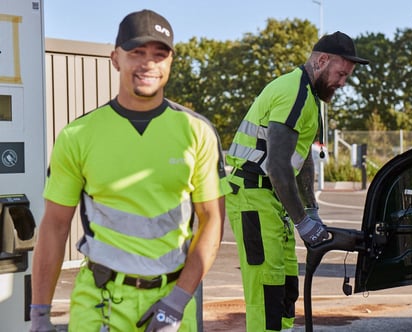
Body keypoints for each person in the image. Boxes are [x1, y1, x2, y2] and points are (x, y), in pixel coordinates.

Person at [30, 9, 229, 332]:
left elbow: (212, 222)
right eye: (137, 52)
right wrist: (40, 315)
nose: (148, 63)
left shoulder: (197, 132)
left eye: (159, 54)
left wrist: (177, 302)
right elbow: (54, 226)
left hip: (172, 299)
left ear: (170, 62)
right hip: (100, 302)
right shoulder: (78, 135)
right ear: (115, 58)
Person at [225, 31, 369, 331]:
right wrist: (303, 221)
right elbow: (277, 166)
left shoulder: (308, 99)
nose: (343, 83)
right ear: (321, 60)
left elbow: (298, 161)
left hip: (270, 201)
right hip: (255, 197)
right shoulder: (294, 92)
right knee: (267, 290)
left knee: (285, 283)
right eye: (341, 74)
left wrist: (311, 209)